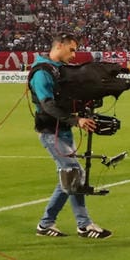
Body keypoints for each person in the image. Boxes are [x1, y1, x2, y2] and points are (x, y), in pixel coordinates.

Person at [29, 31, 111, 240]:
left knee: (71, 176)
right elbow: (48, 106)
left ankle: (47, 224)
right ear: (59, 46)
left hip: (62, 131)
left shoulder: (57, 70)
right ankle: (82, 225)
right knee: (73, 172)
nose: (74, 55)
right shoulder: (41, 72)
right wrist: (77, 120)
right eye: (71, 49)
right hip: (51, 132)